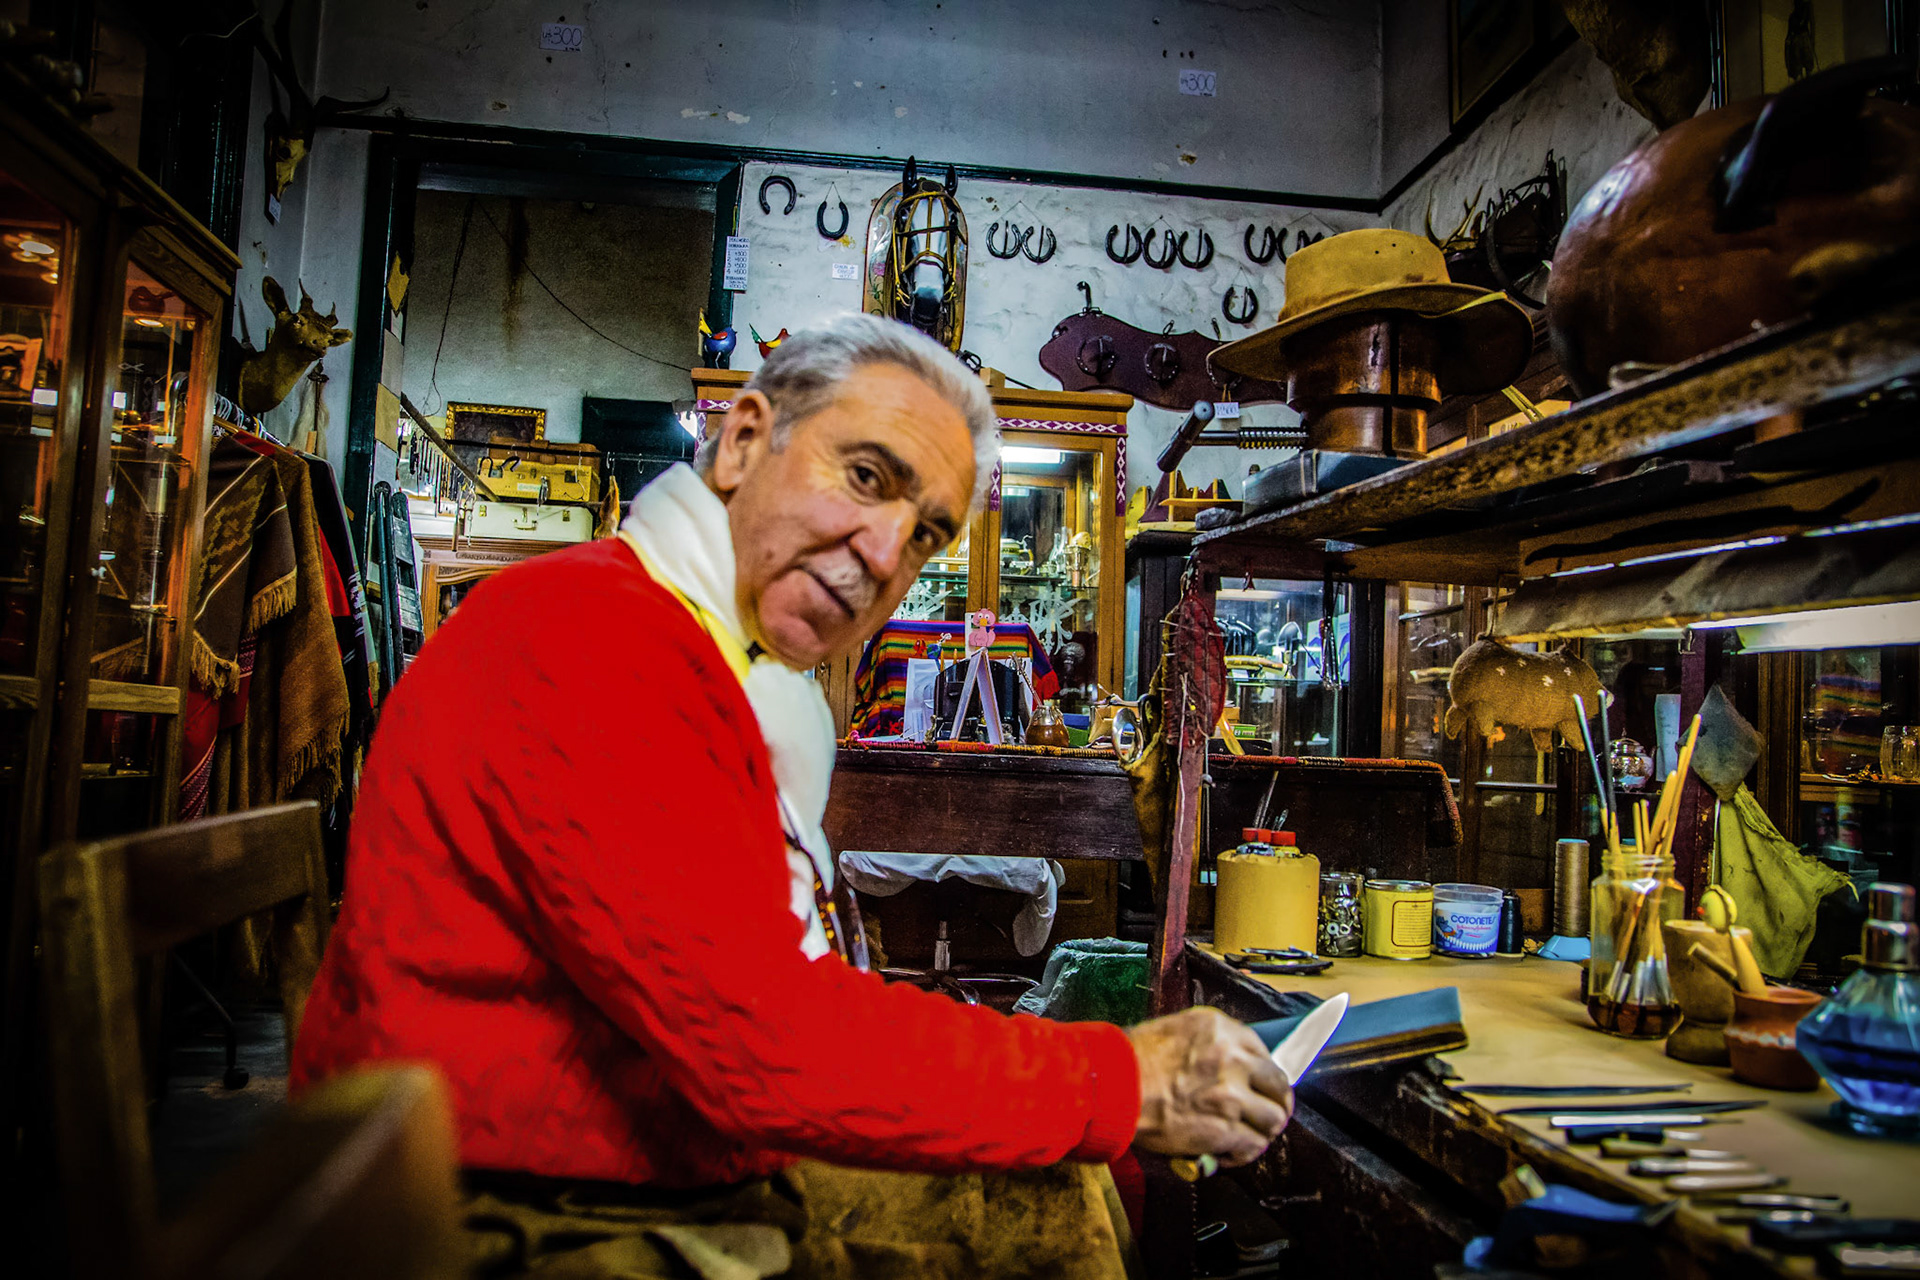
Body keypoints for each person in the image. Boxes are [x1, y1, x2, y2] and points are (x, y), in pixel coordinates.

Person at [291, 313, 1292, 1278]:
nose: (885, 551)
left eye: (926, 533)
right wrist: (1122, 1078)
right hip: (495, 1206)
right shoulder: (596, 640)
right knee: (1054, 1191)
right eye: (865, 475)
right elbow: (765, 1043)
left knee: (1051, 1190)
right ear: (741, 443)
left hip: (624, 1155)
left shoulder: (697, 647)